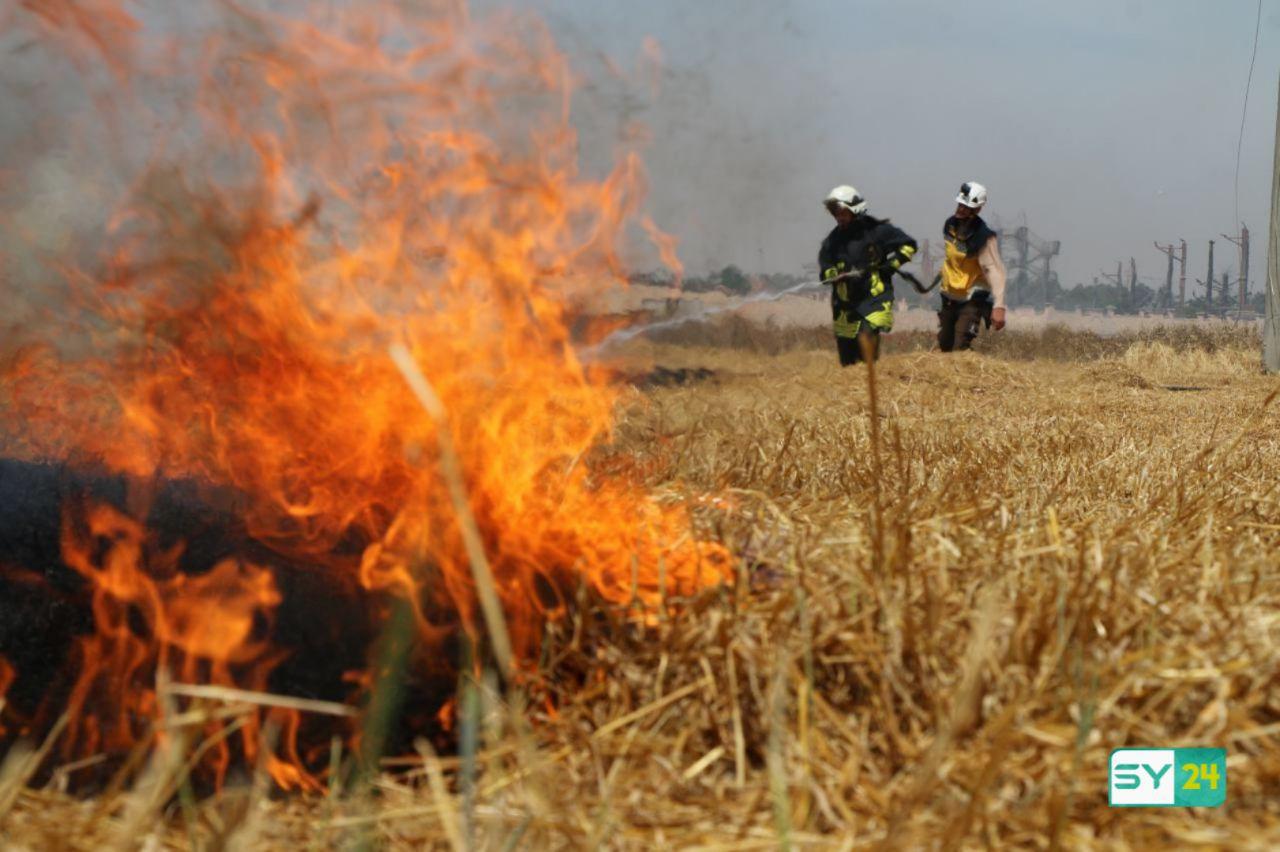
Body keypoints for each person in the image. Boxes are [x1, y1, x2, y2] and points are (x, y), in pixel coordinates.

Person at [818, 185, 918, 366]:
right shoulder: (832, 240)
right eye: (835, 213)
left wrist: (891, 265)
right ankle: (852, 390)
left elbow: (909, 246)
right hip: (845, 306)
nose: (838, 217)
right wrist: (832, 273)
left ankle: (871, 383)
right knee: (848, 362)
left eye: (842, 212)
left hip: (873, 299)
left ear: (854, 210)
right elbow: (825, 263)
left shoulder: (878, 231)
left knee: (867, 347)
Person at [937, 181, 1007, 351]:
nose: (960, 209)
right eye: (960, 204)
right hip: (950, 297)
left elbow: (995, 271)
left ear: (977, 210)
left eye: (966, 207)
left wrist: (999, 306)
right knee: (945, 346)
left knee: (960, 345)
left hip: (972, 300)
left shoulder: (983, 237)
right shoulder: (950, 225)